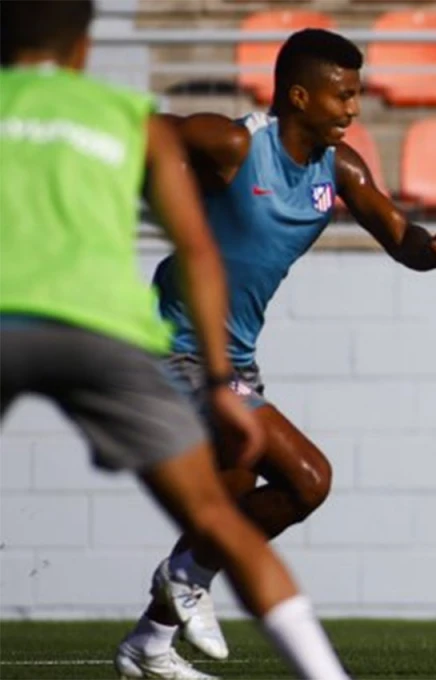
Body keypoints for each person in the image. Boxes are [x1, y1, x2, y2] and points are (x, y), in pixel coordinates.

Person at [0, 2, 350, 679]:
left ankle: (153, 641)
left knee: (241, 500)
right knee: (221, 519)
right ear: (81, 49)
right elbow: (195, 247)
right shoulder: (123, 118)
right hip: (103, 329)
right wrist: (220, 383)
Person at [115, 27, 436, 668]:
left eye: (356, 96)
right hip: (174, 347)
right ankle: (184, 583)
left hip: (234, 360)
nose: (353, 109)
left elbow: (399, 237)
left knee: (220, 519)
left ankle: (150, 644)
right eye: (343, 97)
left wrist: (434, 250)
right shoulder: (234, 145)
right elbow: (139, 131)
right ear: (300, 97)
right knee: (307, 479)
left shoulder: (341, 168)